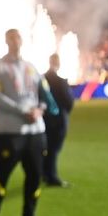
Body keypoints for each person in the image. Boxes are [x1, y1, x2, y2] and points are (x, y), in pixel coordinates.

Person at [0, 29, 52, 216]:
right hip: (11, 132)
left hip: (36, 131)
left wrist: (39, 109)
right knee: (1, 176)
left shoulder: (32, 67)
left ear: (22, 41)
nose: (15, 41)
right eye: (11, 38)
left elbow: (44, 94)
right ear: (6, 41)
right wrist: (23, 110)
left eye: (18, 37)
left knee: (35, 176)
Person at [43, 53, 74, 187]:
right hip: (59, 120)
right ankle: (52, 176)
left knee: (46, 148)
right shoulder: (61, 82)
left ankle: (44, 174)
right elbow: (69, 102)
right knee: (54, 149)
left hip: (43, 120)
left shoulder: (41, 79)